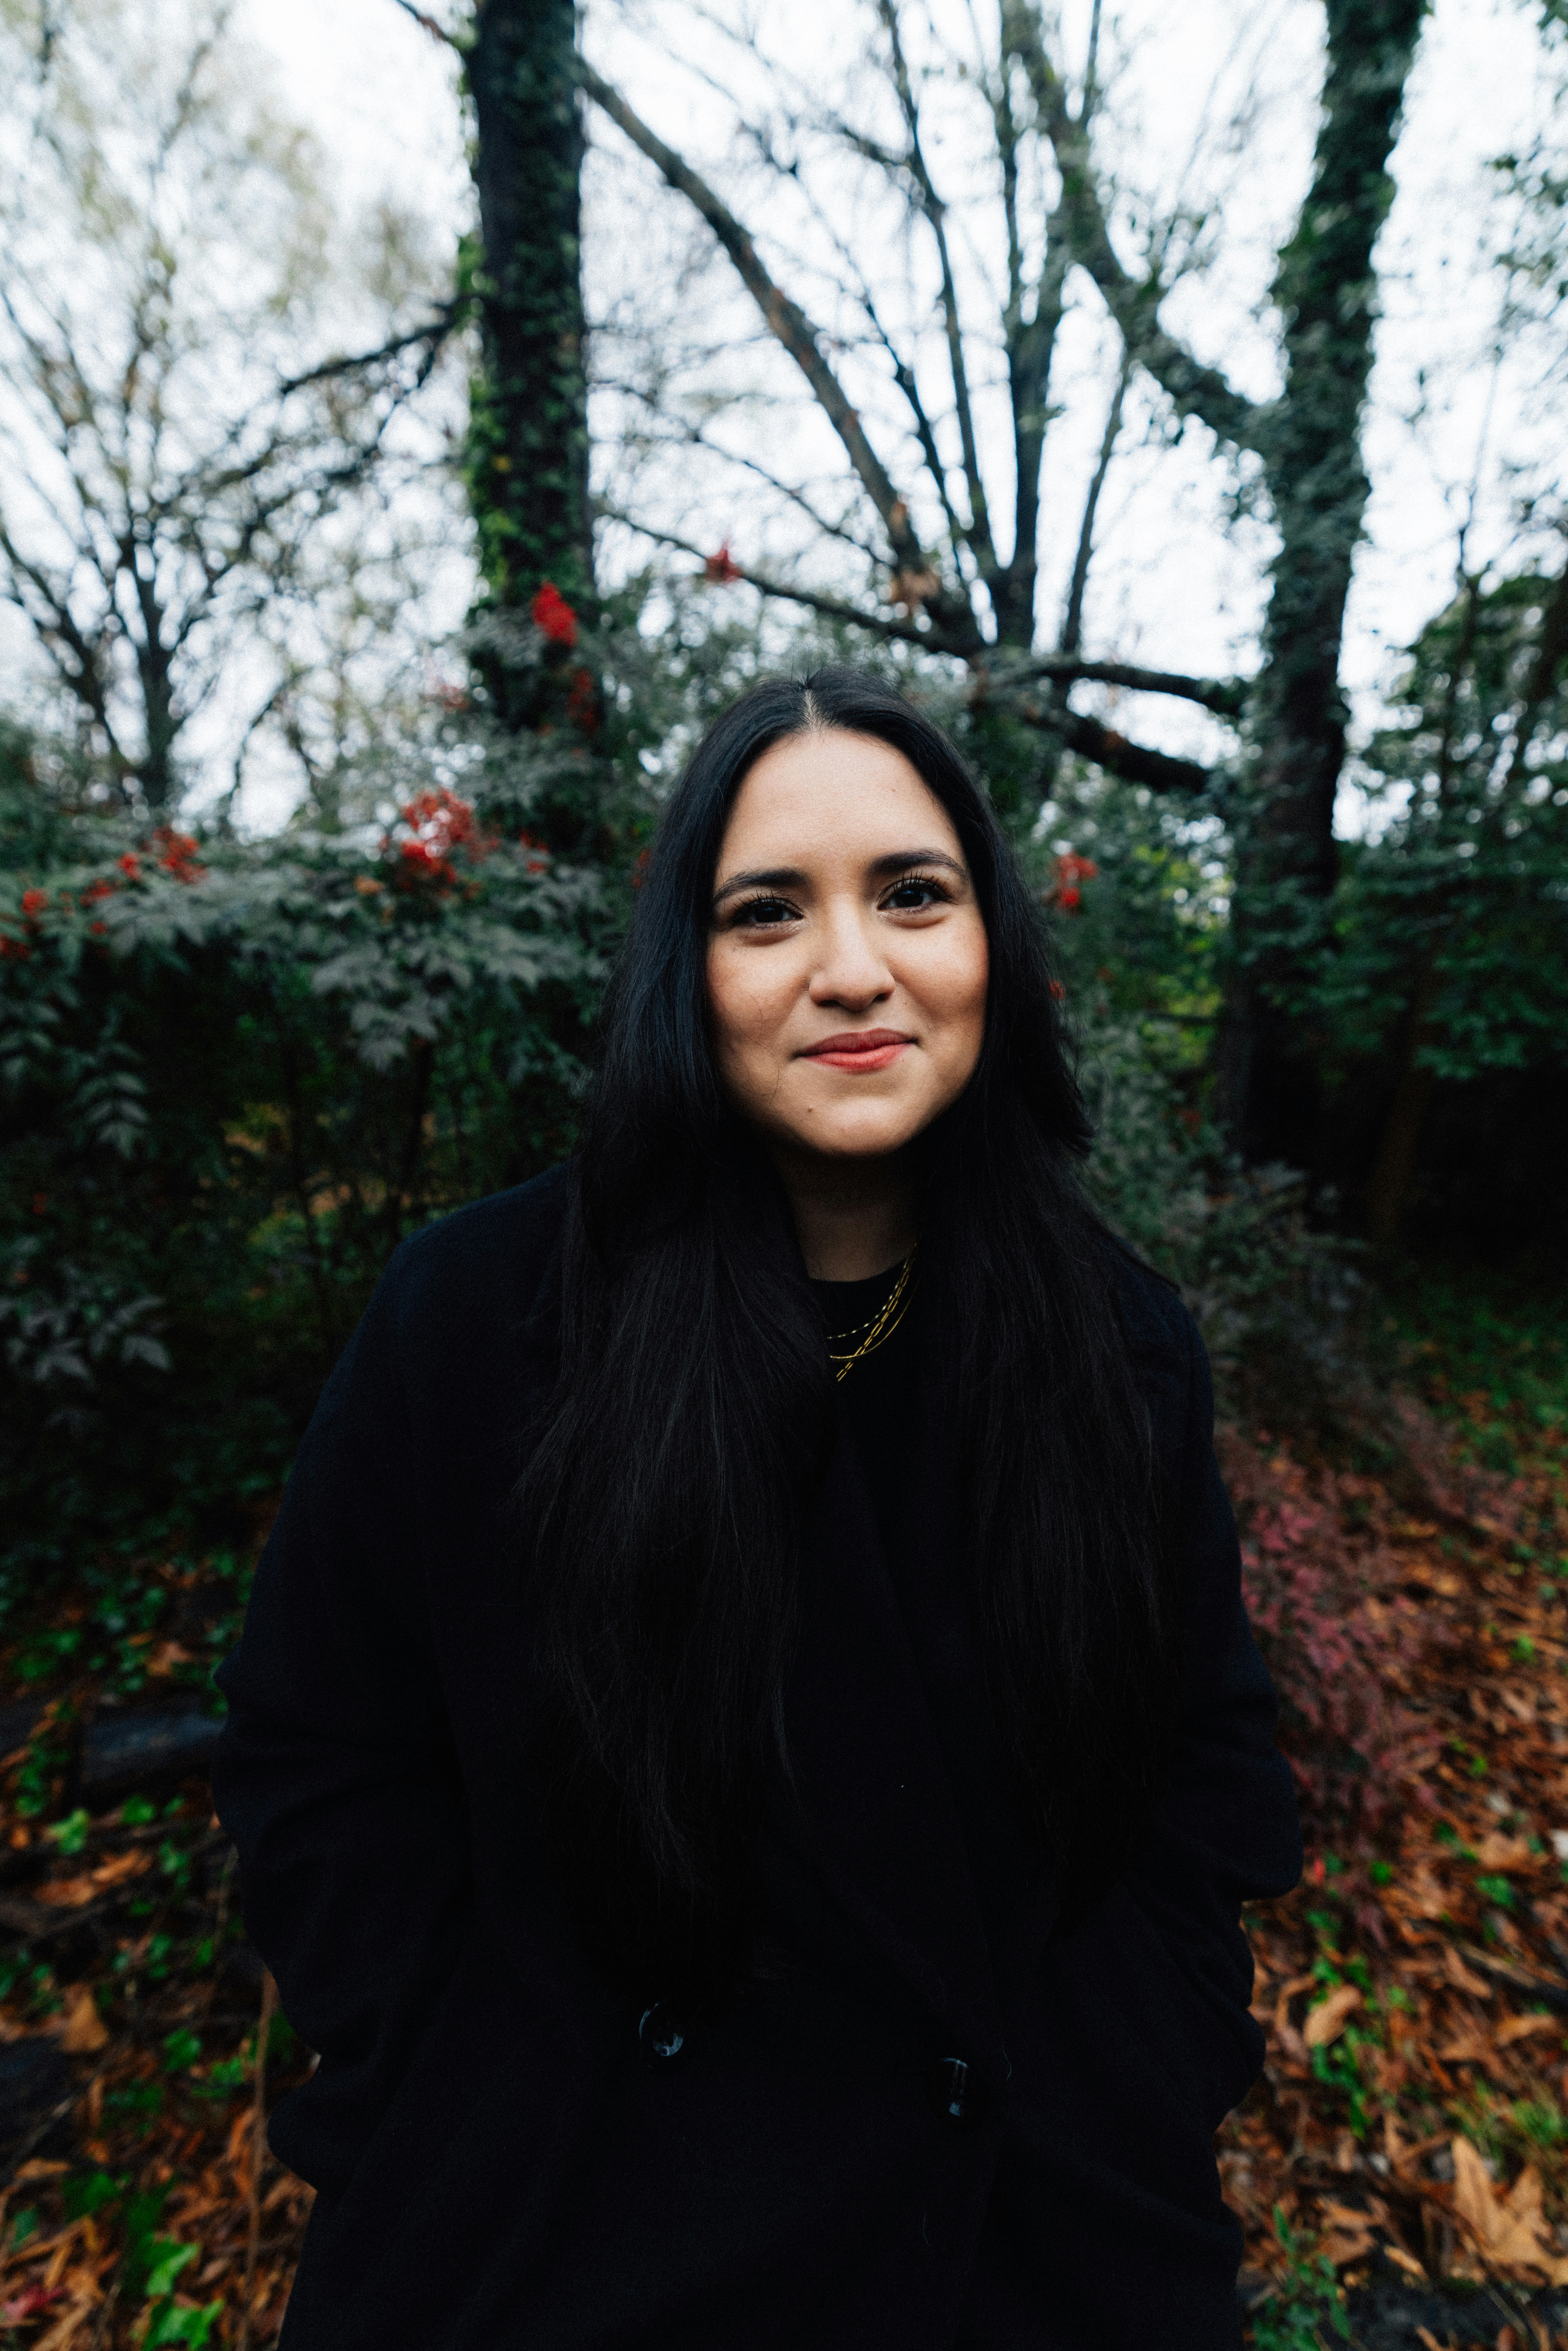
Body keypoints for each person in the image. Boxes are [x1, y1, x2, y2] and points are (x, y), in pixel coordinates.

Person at [212, 666, 1301, 2350]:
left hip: (1018, 2241)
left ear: (988, 948)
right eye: (765, 910)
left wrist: (1114, 2083)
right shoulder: (473, 1317)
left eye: (912, 896)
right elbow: (322, 1753)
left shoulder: (1116, 1342)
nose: (850, 968)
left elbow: (1202, 1782)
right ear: (687, 973)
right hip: (557, 2240)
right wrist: (462, 2082)